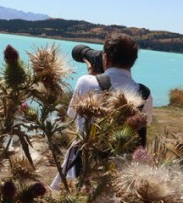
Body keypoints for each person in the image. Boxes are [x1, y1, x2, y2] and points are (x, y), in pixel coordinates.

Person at [53, 32, 153, 189]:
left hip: (83, 164)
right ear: (133, 62)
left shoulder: (86, 82)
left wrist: (92, 76)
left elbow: (72, 115)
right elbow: (143, 124)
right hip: (122, 174)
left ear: (105, 58)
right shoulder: (145, 94)